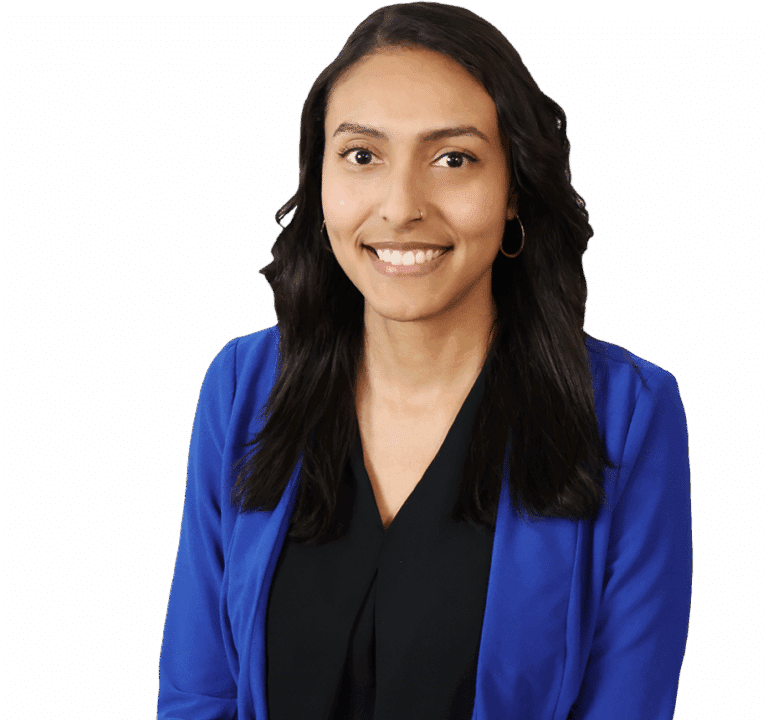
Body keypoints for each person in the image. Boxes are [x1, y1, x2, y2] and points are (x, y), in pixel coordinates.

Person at [157, 3, 692, 718]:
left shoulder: (627, 415)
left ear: (514, 190)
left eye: (452, 159)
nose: (401, 206)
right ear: (320, 182)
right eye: (362, 155)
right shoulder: (244, 388)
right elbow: (199, 696)